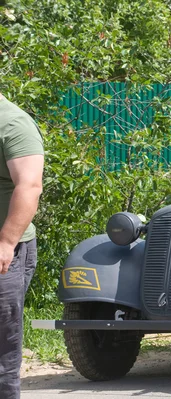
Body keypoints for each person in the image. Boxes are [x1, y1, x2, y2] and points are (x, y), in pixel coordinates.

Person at [0, 93, 44, 399]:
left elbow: (29, 185)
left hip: (6, 252)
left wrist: (6, 241)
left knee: (1, 343)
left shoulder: (13, 123)